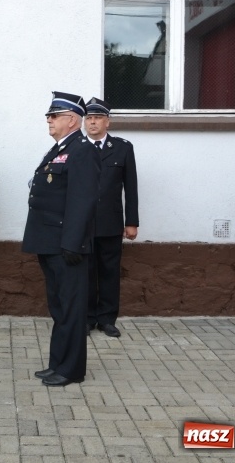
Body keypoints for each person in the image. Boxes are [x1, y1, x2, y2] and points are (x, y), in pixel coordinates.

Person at [23, 91, 100, 387]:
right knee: (59, 307)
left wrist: (72, 242)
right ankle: (58, 362)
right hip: (50, 242)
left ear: (71, 120)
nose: (49, 120)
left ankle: (71, 369)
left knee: (71, 308)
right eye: (49, 115)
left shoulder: (82, 150)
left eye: (54, 116)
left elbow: (82, 201)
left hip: (66, 245)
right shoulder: (59, 148)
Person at [83, 97, 139, 338]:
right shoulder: (75, 146)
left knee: (109, 272)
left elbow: (131, 187)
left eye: (97, 118)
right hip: (82, 224)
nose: (92, 122)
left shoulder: (123, 148)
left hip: (110, 222)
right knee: (85, 272)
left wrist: (132, 222)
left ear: (108, 122)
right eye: (88, 118)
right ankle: (86, 318)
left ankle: (107, 319)